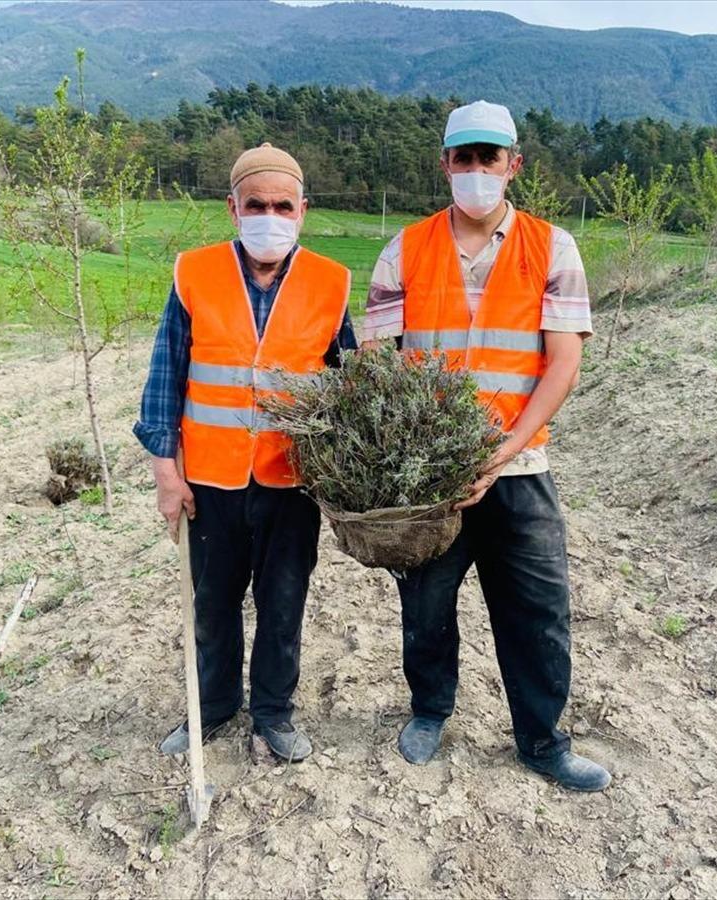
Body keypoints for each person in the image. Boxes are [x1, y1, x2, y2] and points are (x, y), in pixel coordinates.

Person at [361, 101, 610, 791]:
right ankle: (430, 711)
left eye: (488, 158)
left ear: (513, 164)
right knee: (426, 605)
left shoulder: (552, 247)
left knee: (538, 610)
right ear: (445, 164)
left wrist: (504, 449)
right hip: (431, 478)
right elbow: (377, 360)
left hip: (520, 466)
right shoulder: (404, 250)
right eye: (463, 157)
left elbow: (563, 363)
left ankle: (542, 740)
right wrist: (412, 454)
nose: (476, 169)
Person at [134, 143, 356, 762]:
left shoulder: (331, 282)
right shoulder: (195, 274)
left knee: (284, 602)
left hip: (292, 482)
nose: (269, 216)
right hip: (210, 481)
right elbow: (165, 380)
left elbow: (350, 389)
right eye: (255, 205)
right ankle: (212, 705)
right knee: (212, 603)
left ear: (303, 210)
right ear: (233, 209)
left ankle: (274, 713)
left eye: (283, 206)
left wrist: (348, 480)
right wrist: (166, 475)